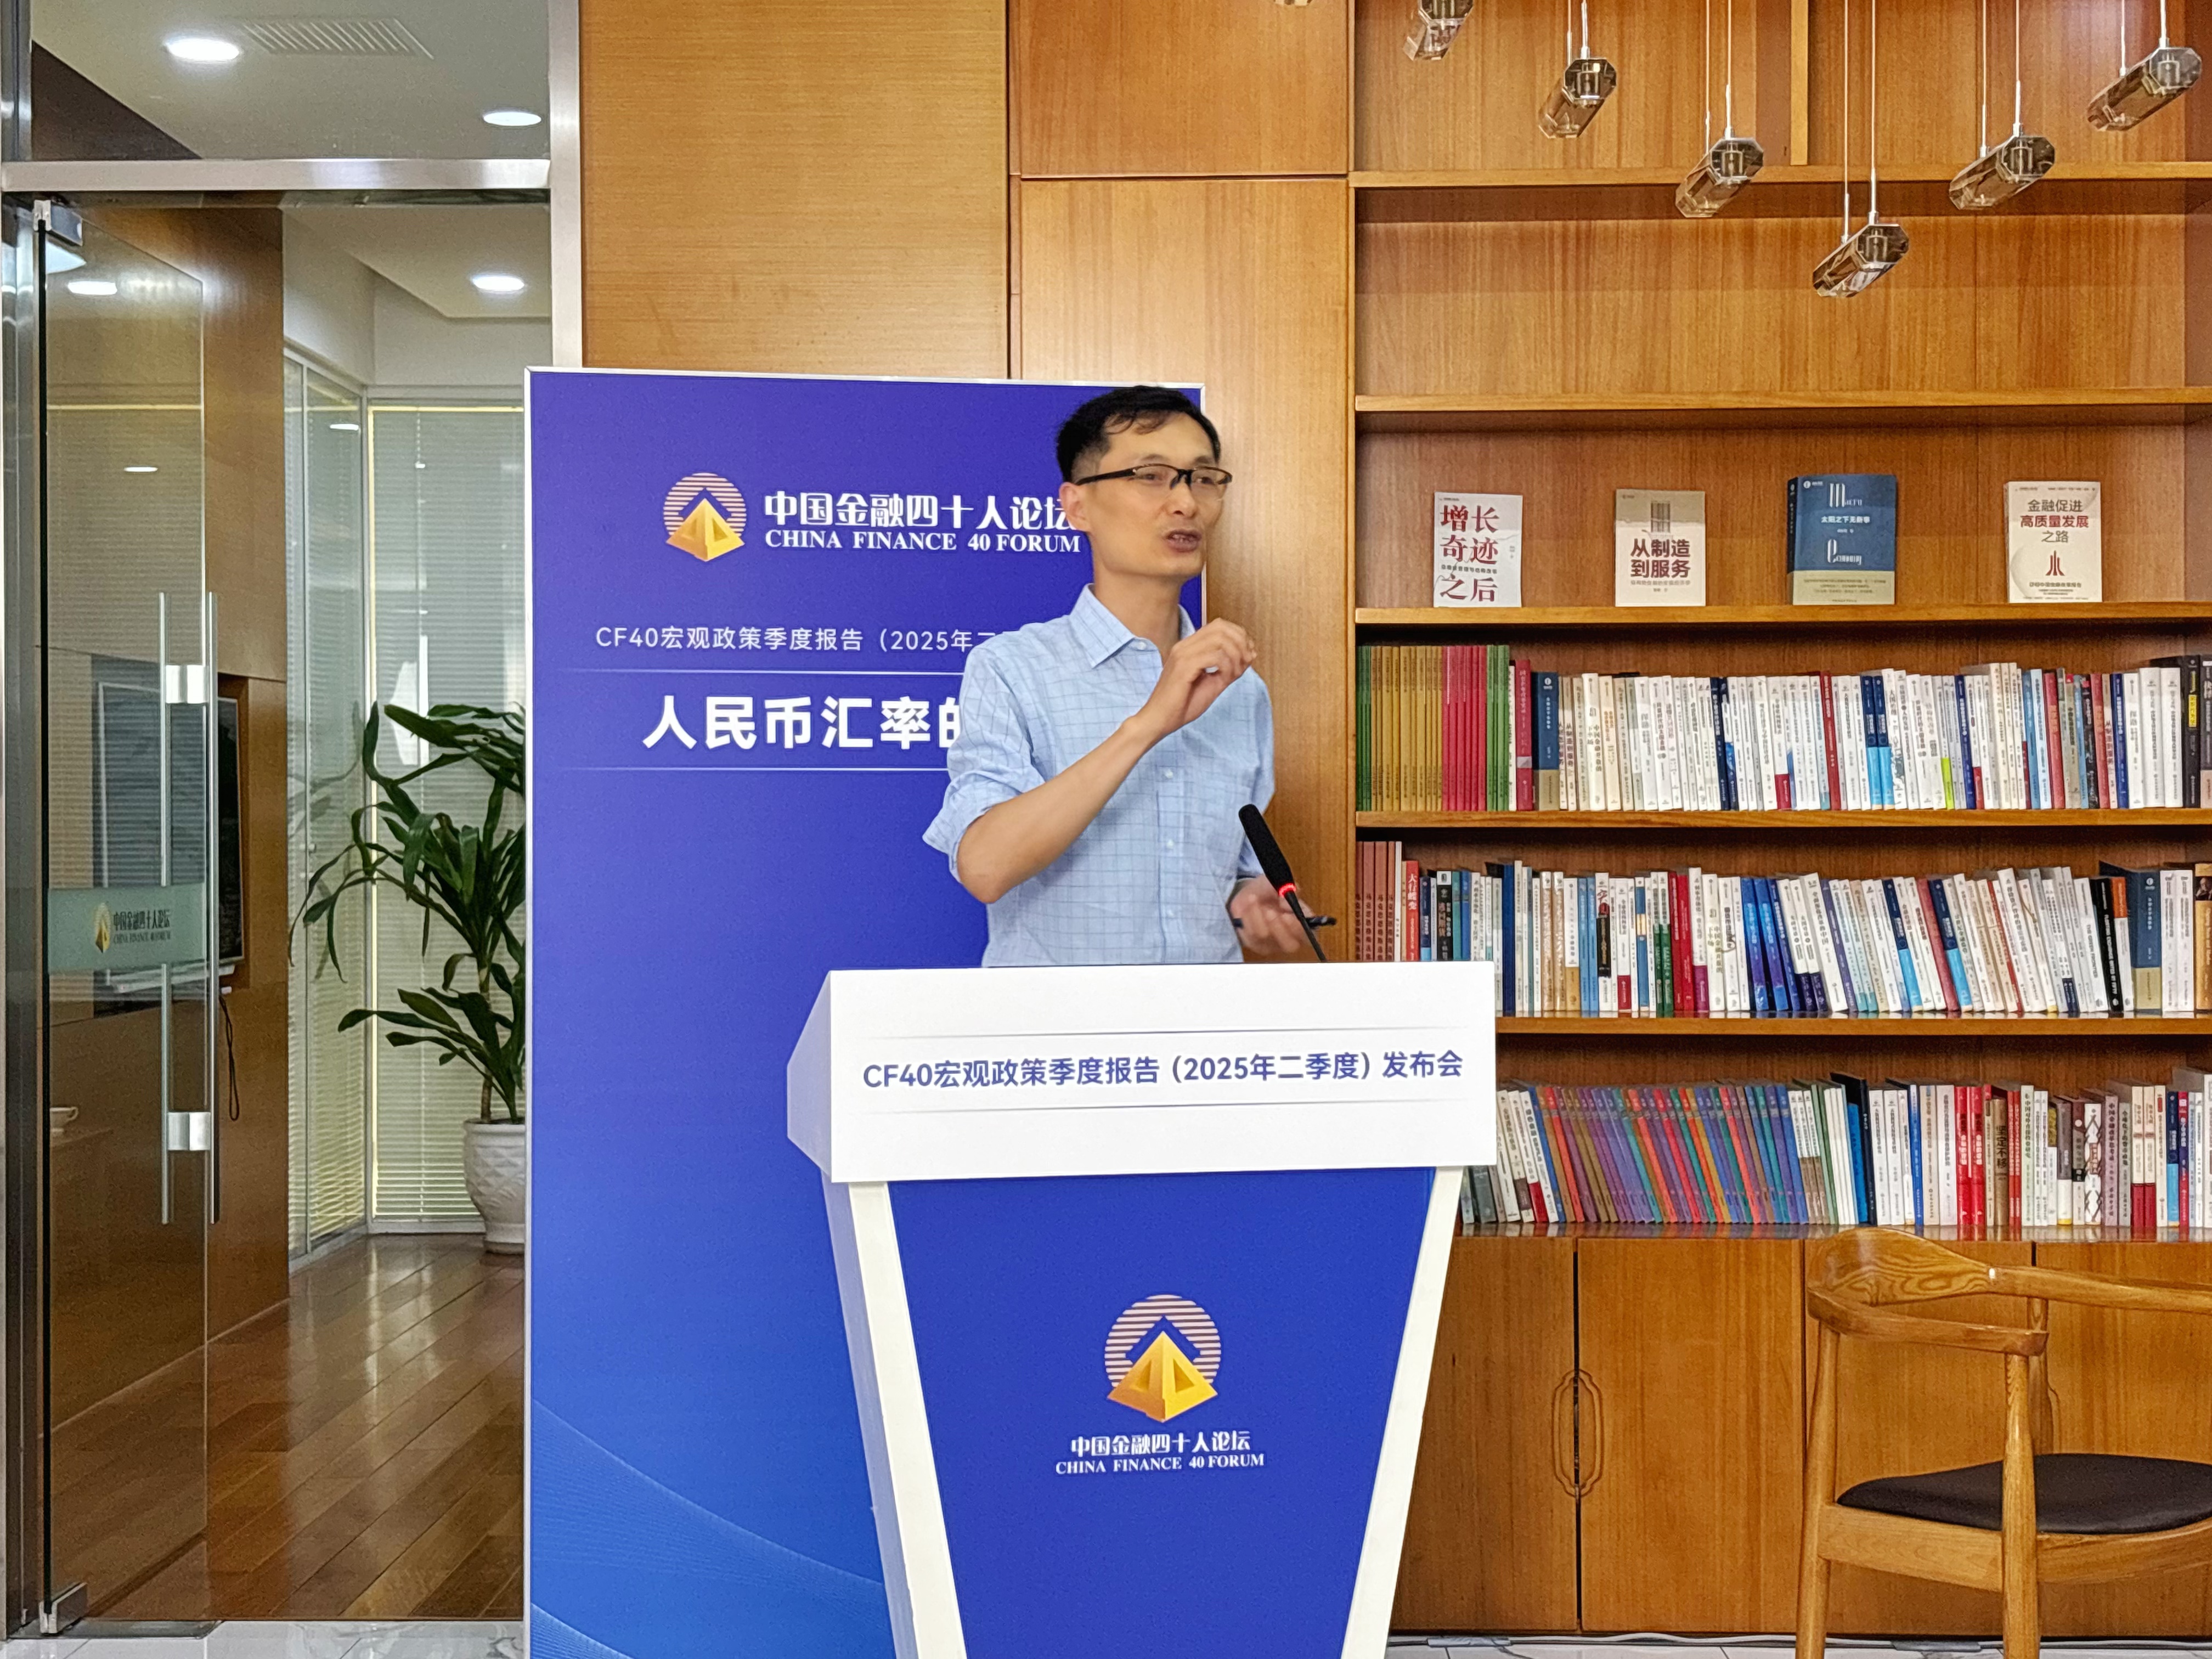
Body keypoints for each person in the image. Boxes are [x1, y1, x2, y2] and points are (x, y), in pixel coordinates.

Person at [923, 385, 1309, 966]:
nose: (1185, 503)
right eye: (1151, 476)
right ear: (1077, 506)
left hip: (1202, 1019)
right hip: (1062, 1020)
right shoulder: (1012, 667)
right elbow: (986, 867)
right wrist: (1150, 723)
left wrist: (1251, 904)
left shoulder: (1239, 688)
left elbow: (1233, 875)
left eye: (1203, 478)